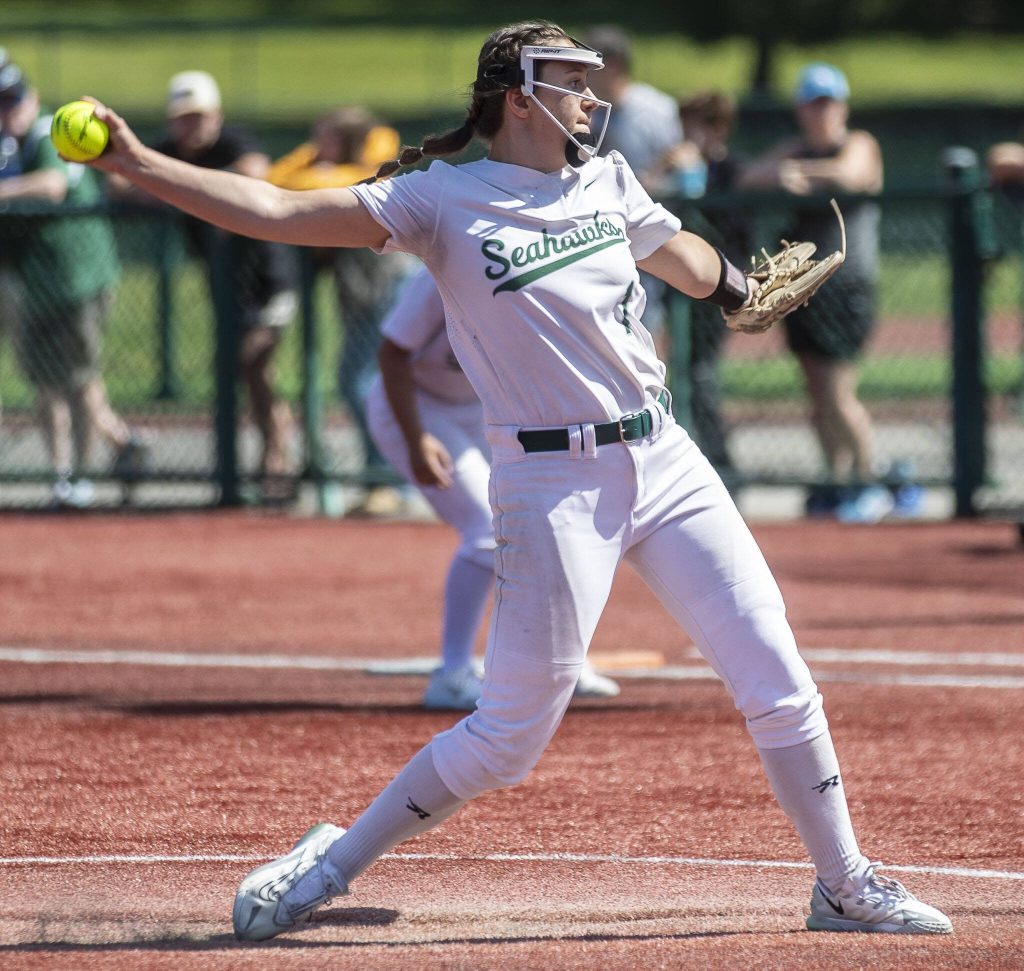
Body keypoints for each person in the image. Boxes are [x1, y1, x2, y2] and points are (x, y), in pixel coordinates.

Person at [84, 21, 952, 939]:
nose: (590, 93)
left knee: (776, 672)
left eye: (588, 77)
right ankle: (329, 863)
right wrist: (139, 162)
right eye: (570, 79)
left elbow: (680, 254)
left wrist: (737, 285)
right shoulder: (441, 200)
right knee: (508, 737)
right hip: (550, 484)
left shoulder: (605, 178)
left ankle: (845, 881)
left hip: (664, 458)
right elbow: (275, 211)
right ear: (516, 96)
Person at [367, 265, 621, 709]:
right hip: (415, 409)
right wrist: (415, 439)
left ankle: (559, 660)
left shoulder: (549, 267)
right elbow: (392, 354)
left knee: (549, 525)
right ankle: (452, 673)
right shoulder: (441, 275)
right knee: (487, 530)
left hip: (489, 411)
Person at [111, 70, 300, 500]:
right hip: (223, 285)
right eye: (182, 118)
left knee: (252, 362)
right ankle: (270, 455)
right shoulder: (169, 151)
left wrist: (179, 187)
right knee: (250, 371)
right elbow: (118, 180)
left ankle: (276, 457)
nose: (190, 126)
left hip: (268, 276)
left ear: (215, 116)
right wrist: (178, 190)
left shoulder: (232, 142)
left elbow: (255, 173)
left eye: (198, 117)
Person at [739, 64, 892, 523]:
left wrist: (799, 172)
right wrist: (785, 172)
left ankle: (866, 478)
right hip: (803, 290)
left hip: (847, 284)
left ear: (841, 106)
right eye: (812, 105)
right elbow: (750, 176)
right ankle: (836, 477)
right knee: (816, 392)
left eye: (828, 104)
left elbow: (851, 175)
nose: (820, 113)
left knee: (839, 390)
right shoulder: (796, 148)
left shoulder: (858, 142)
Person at [0, 62, 144, 507]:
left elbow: (52, 185)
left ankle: (83, 474)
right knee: (46, 384)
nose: (9, 111)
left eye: (13, 99)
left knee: (80, 380)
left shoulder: (52, 132)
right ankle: (63, 473)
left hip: (77, 278)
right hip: (32, 283)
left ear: (31, 98)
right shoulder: (8, 150)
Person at [268, 107, 416, 517]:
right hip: (362, 294)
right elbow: (278, 178)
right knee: (360, 381)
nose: (317, 146)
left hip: (385, 289)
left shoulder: (372, 165)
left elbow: (294, 185)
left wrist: (325, 167)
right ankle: (383, 478)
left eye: (326, 137)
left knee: (359, 381)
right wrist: (316, 157)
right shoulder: (327, 165)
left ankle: (386, 478)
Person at [656, 90, 752, 488]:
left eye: (696, 124)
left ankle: (721, 463)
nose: (687, 133)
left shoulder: (730, 169)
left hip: (716, 287)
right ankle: (703, 457)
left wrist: (693, 180)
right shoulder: (675, 162)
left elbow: (716, 230)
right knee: (680, 370)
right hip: (677, 289)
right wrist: (667, 171)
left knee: (699, 373)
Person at [582, 25, 683, 346]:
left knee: (646, 320)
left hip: (647, 231)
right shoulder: (587, 110)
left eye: (590, 66)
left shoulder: (656, 109)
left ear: (613, 65)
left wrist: (654, 180)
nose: (584, 75)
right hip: (595, 230)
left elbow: (683, 165)